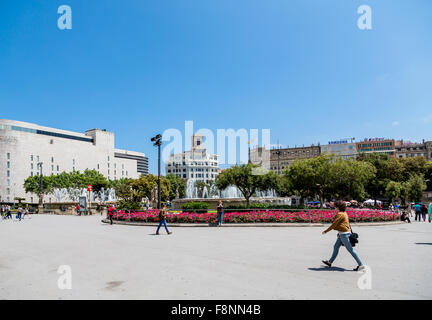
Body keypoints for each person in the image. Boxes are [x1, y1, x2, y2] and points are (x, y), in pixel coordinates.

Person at [322, 200, 365, 271]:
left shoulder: (340, 214)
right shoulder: (344, 213)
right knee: (336, 246)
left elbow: (334, 224)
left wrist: (326, 231)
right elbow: (345, 224)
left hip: (344, 235)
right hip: (343, 233)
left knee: (351, 250)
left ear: (338, 207)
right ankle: (330, 262)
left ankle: (361, 264)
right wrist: (339, 232)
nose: (334, 207)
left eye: (335, 206)